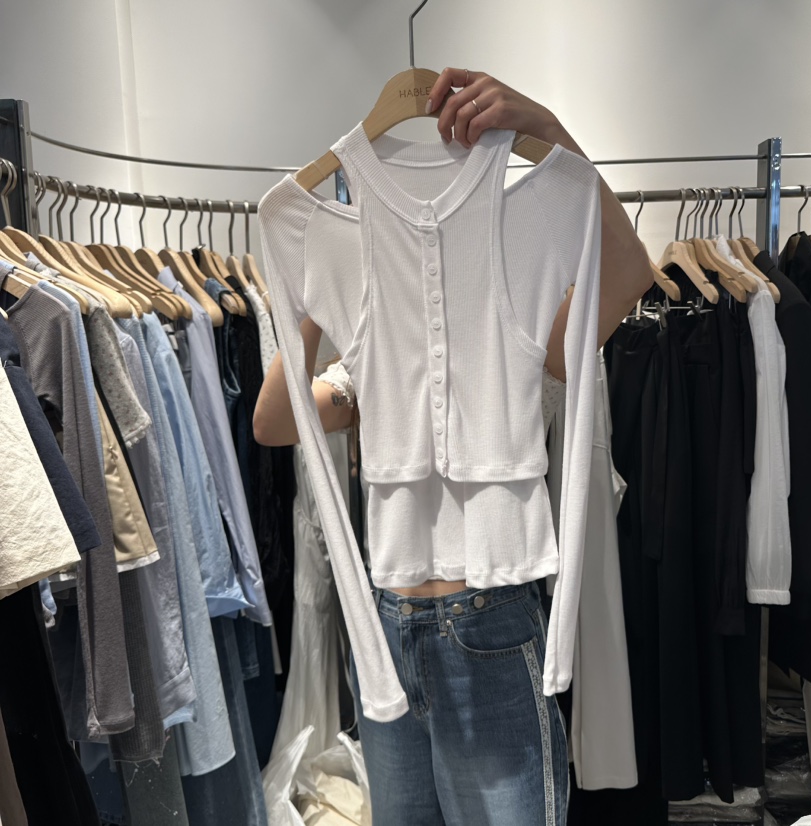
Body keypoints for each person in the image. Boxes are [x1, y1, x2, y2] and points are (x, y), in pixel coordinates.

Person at [254, 67, 651, 825]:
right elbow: (273, 421)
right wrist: (321, 275)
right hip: (386, 626)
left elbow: (629, 273)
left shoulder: (523, 269)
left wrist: (546, 131)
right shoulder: (362, 365)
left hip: (490, 617)